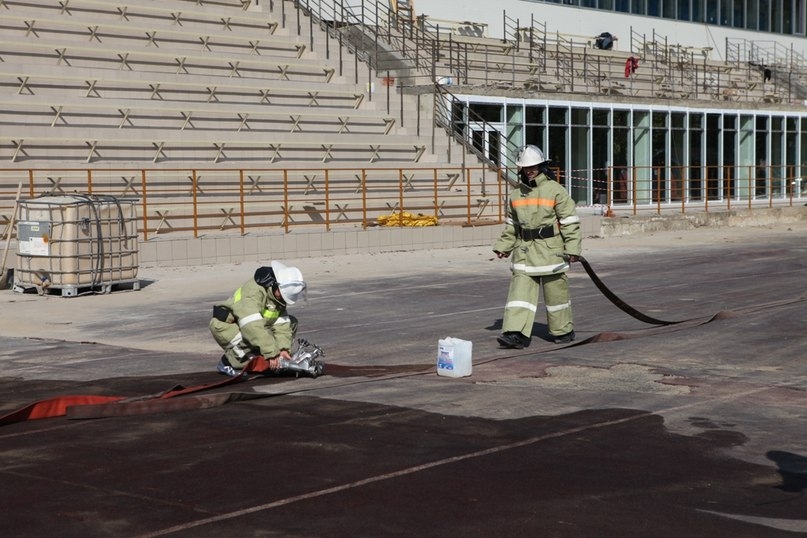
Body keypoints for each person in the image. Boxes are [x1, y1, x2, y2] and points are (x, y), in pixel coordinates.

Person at [493, 145, 582, 349]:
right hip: (524, 252)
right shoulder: (516, 195)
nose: (530, 170)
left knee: (556, 296)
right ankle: (515, 334)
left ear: (542, 166)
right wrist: (504, 247)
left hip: (551, 251)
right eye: (526, 167)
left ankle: (563, 331)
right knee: (519, 296)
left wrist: (573, 249)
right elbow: (512, 226)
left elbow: (569, 222)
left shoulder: (555, 190)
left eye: (533, 166)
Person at [209, 260, 310, 376]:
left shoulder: (276, 295)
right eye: (282, 295)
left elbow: (281, 323)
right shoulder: (253, 292)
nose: (283, 299)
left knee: (291, 322)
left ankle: (265, 358)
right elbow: (252, 327)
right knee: (251, 339)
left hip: (248, 324)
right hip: (225, 326)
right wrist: (271, 353)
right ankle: (227, 363)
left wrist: (283, 349)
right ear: (276, 284)